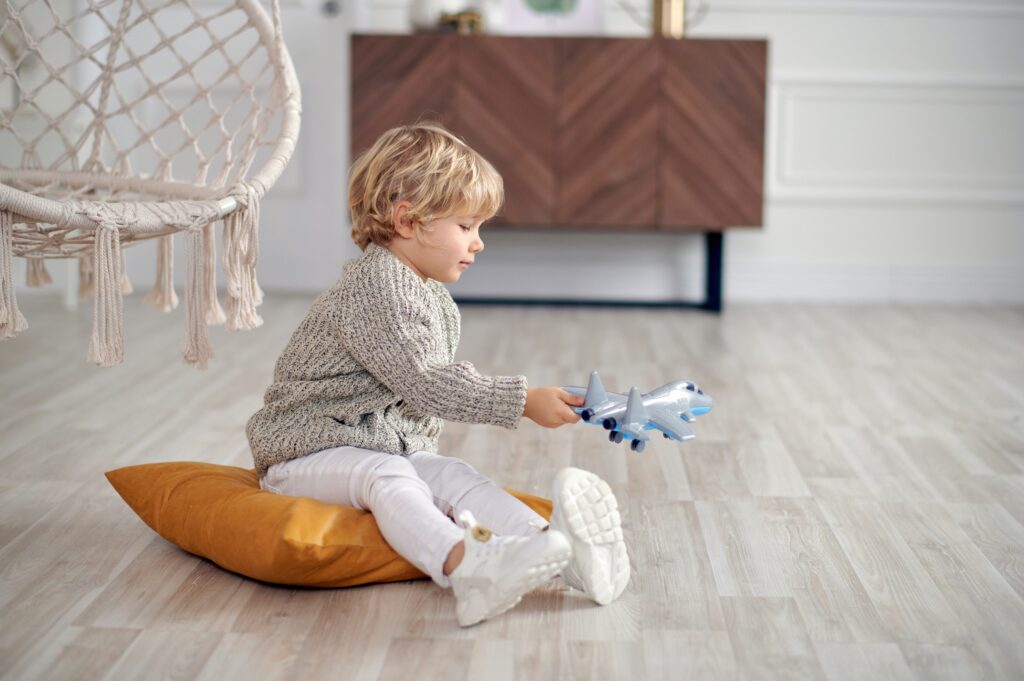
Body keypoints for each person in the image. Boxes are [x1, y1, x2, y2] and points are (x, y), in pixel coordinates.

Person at [246, 122, 630, 626]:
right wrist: (520, 400)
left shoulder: (425, 292)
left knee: (453, 475)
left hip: (376, 442)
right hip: (306, 451)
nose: (479, 243)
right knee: (386, 475)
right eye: (467, 226)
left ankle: (553, 549)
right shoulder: (377, 285)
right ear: (408, 221)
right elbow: (426, 381)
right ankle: (467, 568)